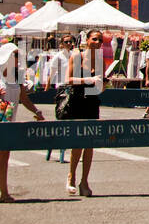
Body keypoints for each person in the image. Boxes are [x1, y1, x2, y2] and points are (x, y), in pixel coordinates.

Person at [0, 31, 47, 202]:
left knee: (4, 156)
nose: (17, 58)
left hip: (8, 122)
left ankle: (3, 192)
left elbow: (23, 98)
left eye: (18, 55)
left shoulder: (18, 75)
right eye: (14, 55)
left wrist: (37, 112)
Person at [65, 31, 106, 197]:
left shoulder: (100, 60)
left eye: (100, 40)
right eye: (94, 39)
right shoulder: (77, 56)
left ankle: (84, 181)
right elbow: (68, 80)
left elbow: (101, 83)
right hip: (77, 101)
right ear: (87, 40)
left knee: (90, 143)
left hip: (92, 101)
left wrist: (101, 85)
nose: (97, 42)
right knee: (78, 142)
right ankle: (71, 176)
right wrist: (87, 80)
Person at [44, 34, 75, 163]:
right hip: (62, 88)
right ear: (62, 44)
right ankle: (56, 145)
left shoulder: (74, 55)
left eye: (71, 42)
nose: (69, 44)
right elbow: (52, 72)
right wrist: (47, 85)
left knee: (72, 117)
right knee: (61, 116)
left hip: (73, 87)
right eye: (66, 42)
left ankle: (71, 149)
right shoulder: (58, 56)